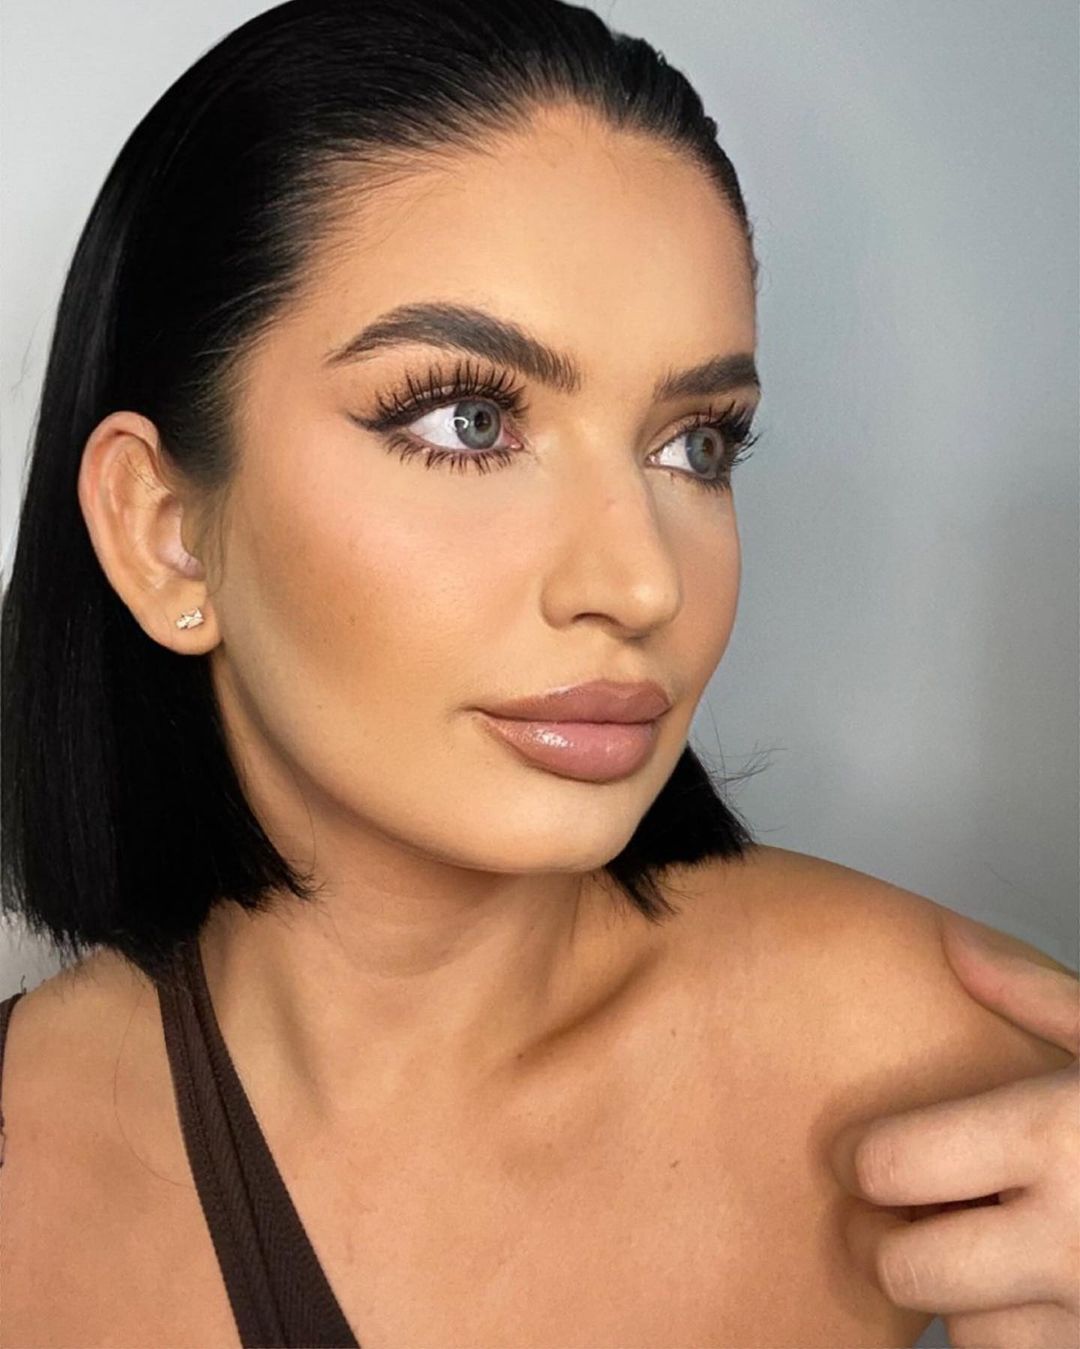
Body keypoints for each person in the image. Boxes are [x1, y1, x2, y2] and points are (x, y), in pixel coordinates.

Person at [0, 3, 1075, 1347]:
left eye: (696, 443)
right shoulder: (27, 1150)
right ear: (164, 531)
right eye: (469, 421)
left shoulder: (941, 1063)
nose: (642, 582)